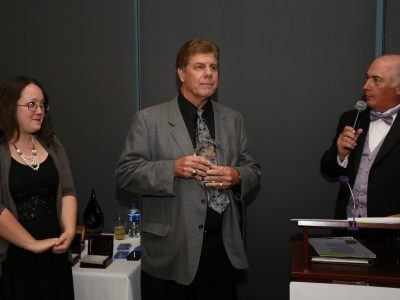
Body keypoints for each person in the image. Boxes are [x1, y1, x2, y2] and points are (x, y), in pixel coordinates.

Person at [115, 38, 261, 300]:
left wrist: (236, 176)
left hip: (222, 251)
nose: (208, 73)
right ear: (181, 73)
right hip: (170, 253)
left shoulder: (233, 119)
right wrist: (173, 168)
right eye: (199, 67)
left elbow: (252, 168)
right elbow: (126, 172)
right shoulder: (149, 120)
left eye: (213, 67)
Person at [0, 75, 77, 299]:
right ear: (9, 107)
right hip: (15, 257)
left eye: (43, 104)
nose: (39, 110)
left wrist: (69, 233)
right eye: (31, 104)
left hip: (55, 252)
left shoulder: (53, 144)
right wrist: (33, 244)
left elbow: (69, 192)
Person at [321, 54, 400, 222]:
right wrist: (340, 155)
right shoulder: (351, 118)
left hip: (390, 235)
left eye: (376, 80)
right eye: (366, 78)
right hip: (347, 228)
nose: (366, 86)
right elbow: (328, 170)